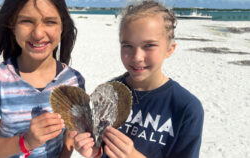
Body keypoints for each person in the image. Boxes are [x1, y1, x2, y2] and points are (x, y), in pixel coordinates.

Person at [71, 1, 204, 158]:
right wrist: (95, 152)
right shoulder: (109, 92)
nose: (137, 57)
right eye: (127, 46)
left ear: (170, 49)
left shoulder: (186, 108)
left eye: (149, 45)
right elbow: (101, 149)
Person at [0, 0, 85, 157]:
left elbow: (70, 135)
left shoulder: (74, 81)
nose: (38, 33)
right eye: (26, 21)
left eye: (50, 22)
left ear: (62, 26)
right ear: (12, 25)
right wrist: (26, 142)